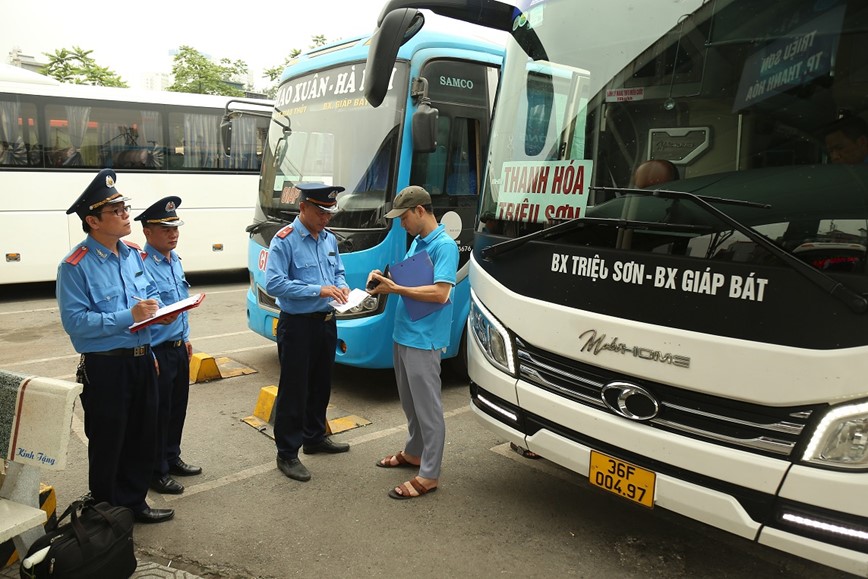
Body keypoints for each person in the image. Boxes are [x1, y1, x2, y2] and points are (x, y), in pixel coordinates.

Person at [56, 169, 174, 524]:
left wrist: (159, 318)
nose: (126, 215)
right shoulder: (75, 266)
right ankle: (108, 514)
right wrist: (130, 316)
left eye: (125, 207)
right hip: (107, 367)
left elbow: (149, 298)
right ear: (93, 221)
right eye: (117, 210)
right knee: (110, 441)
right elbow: (76, 325)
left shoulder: (133, 255)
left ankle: (135, 503)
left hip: (141, 360)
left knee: (142, 436)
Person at [367, 185, 458, 500]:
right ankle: (414, 452)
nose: (401, 224)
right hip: (404, 334)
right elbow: (409, 281)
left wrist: (396, 290)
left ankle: (429, 473)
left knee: (428, 409)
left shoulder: (444, 246)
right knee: (410, 404)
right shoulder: (418, 241)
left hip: (424, 339)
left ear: (421, 210)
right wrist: (385, 281)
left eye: (403, 217)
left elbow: (440, 293)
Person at [264, 182, 351, 482]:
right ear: (303, 207)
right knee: (294, 389)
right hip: (298, 325)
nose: (326, 218)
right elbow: (273, 283)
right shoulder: (284, 240)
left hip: (326, 322)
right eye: (320, 211)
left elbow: (338, 270)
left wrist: (341, 285)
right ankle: (287, 453)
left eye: (329, 212)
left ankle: (315, 437)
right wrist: (318, 289)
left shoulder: (328, 239)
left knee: (320, 383)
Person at [135, 196, 202, 497]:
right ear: (148, 232)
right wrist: (149, 352)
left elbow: (180, 306)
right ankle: (156, 471)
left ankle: (172, 457)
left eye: (175, 228)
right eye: (165, 229)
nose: (173, 234)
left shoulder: (175, 260)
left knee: (176, 409)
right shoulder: (142, 265)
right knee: (157, 415)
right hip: (158, 351)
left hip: (177, 347)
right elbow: (146, 312)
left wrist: (185, 338)